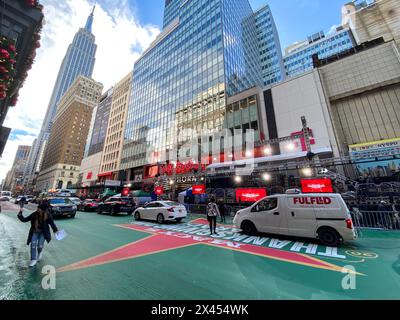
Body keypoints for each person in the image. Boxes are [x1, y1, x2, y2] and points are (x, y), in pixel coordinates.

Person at [17, 203, 59, 267]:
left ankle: (39, 253)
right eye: (37, 208)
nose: (37, 209)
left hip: (43, 233)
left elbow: (52, 224)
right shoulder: (34, 214)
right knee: (33, 245)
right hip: (35, 232)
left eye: (39, 208)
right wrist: (20, 213)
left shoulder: (47, 215)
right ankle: (33, 259)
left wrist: (56, 231)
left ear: (43, 210)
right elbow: (24, 219)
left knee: (40, 246)